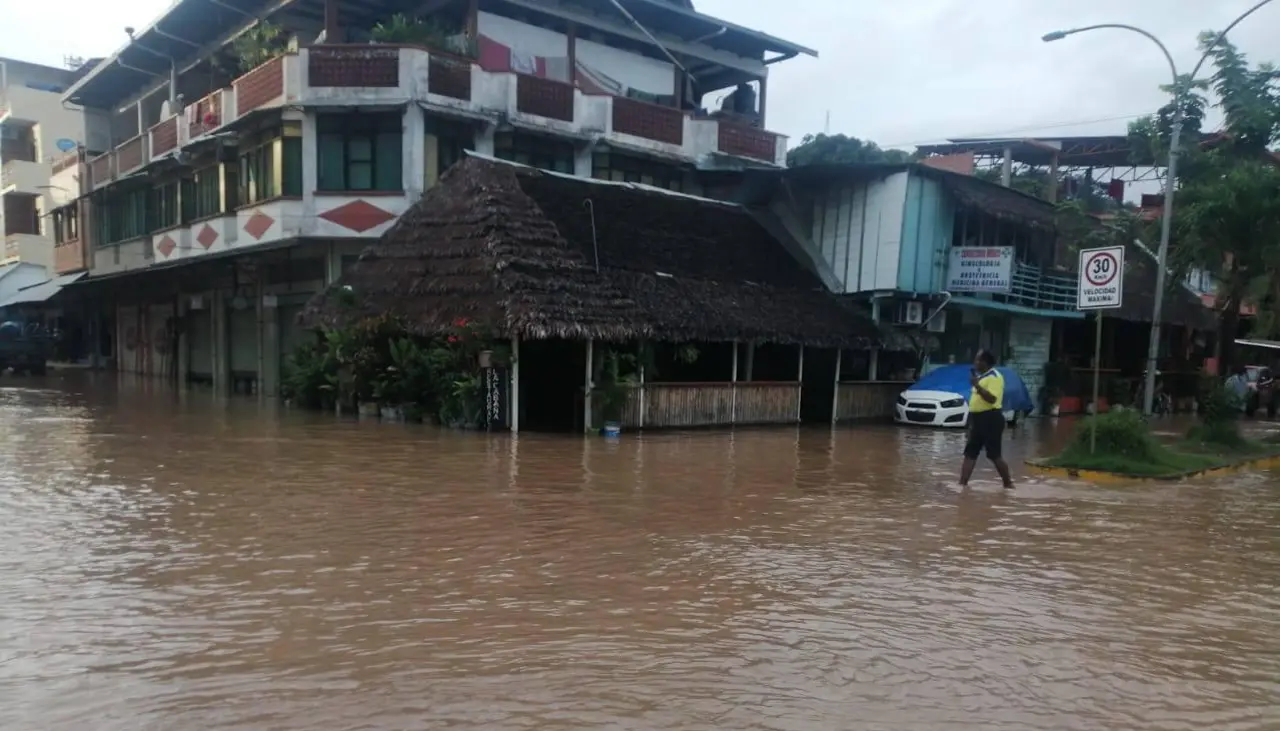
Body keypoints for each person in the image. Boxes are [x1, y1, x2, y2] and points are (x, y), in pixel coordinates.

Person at [959, 350, 1015, 489]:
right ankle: (962, 484)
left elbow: (992, 399)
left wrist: (977, 386)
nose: (975, 363)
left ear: (984, 362)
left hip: (990, 418)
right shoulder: (982, 377)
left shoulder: (994, 377)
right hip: (977, 419)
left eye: (977, 360)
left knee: (994, 455)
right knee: (970, 453)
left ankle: (1008, 484)